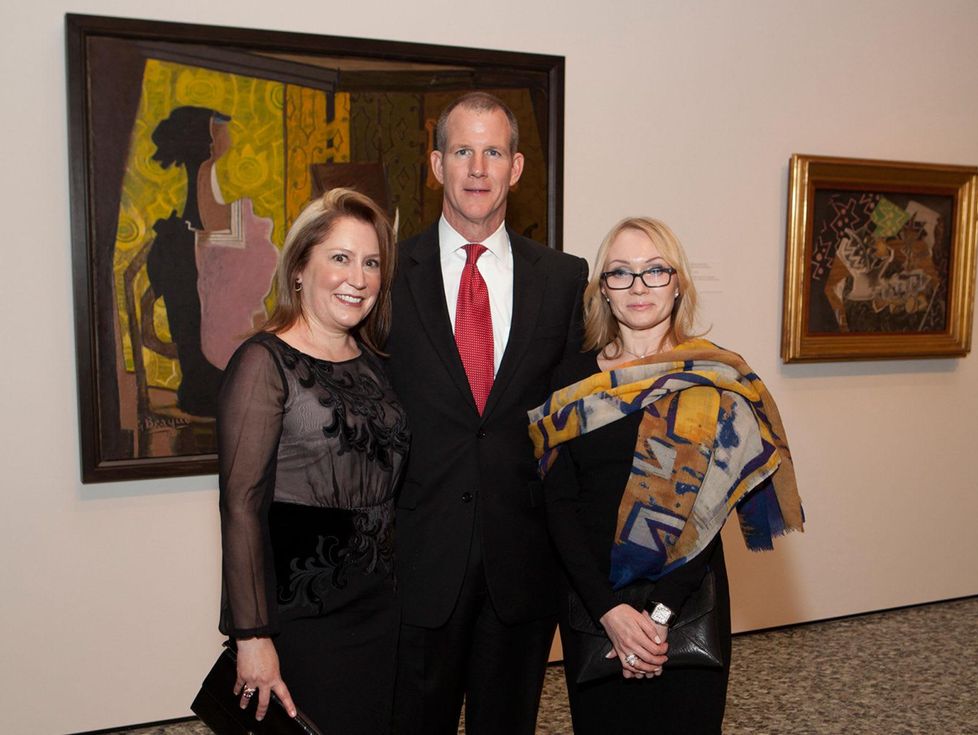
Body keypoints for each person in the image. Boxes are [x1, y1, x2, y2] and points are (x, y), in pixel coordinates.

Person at [528, 217, 804, 734]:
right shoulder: (571, 382)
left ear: (677, 284)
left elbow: (710, 513)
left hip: (685, 599)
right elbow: (558, 505)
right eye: (621, 273)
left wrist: (655, 619)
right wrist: (610, 612)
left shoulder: (716, 378)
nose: (638, 286)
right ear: (603, 292)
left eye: (655, 270)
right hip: (594, 600)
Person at [386, 92, 589, 734]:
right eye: (463, 151)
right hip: (418, 563)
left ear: (517, 167)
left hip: (521, 566)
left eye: (493, 151)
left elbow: (574, 424)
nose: (478, 168)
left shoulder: (562, 279)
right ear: (436, 164)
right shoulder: (390, 273)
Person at [217, 187, 409, 733]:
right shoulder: (263, 362)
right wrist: (253, 637)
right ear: (300, 267)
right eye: (341, 258)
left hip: (380, 605)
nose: (360, 276)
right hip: (303, 614)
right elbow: (241, 507)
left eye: (372, 262)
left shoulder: (371, 362)